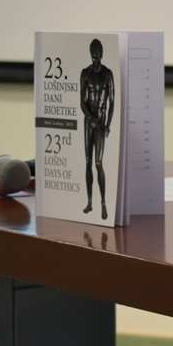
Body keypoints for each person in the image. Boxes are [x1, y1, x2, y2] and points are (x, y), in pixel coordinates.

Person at [80, 38, 114, 220]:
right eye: (93, 52)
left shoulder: (108, 74)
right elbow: (82, 102)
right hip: (88, 122)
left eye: (98, 52)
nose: (96, 56)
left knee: (98, 163)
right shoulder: (85, 73)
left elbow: (112, 102)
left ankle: (103, 202)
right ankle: (90, 202)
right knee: (87, 161)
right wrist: (90, 118)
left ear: (102, 53)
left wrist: (107, 125)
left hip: (100, 123)